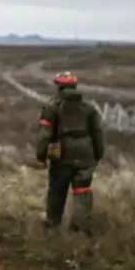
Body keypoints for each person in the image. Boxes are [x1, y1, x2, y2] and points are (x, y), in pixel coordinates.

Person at [36, 71, 104, 234]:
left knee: (57, 190)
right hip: (86, 154)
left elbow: (44, 134)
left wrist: (41, 156)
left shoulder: (52, 107)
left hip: (61, 155)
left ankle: (52, 223)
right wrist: (98, 154)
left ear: (59, 87)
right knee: (82, 190)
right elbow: (98, 133)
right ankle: (79, 225)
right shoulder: (89, 107)